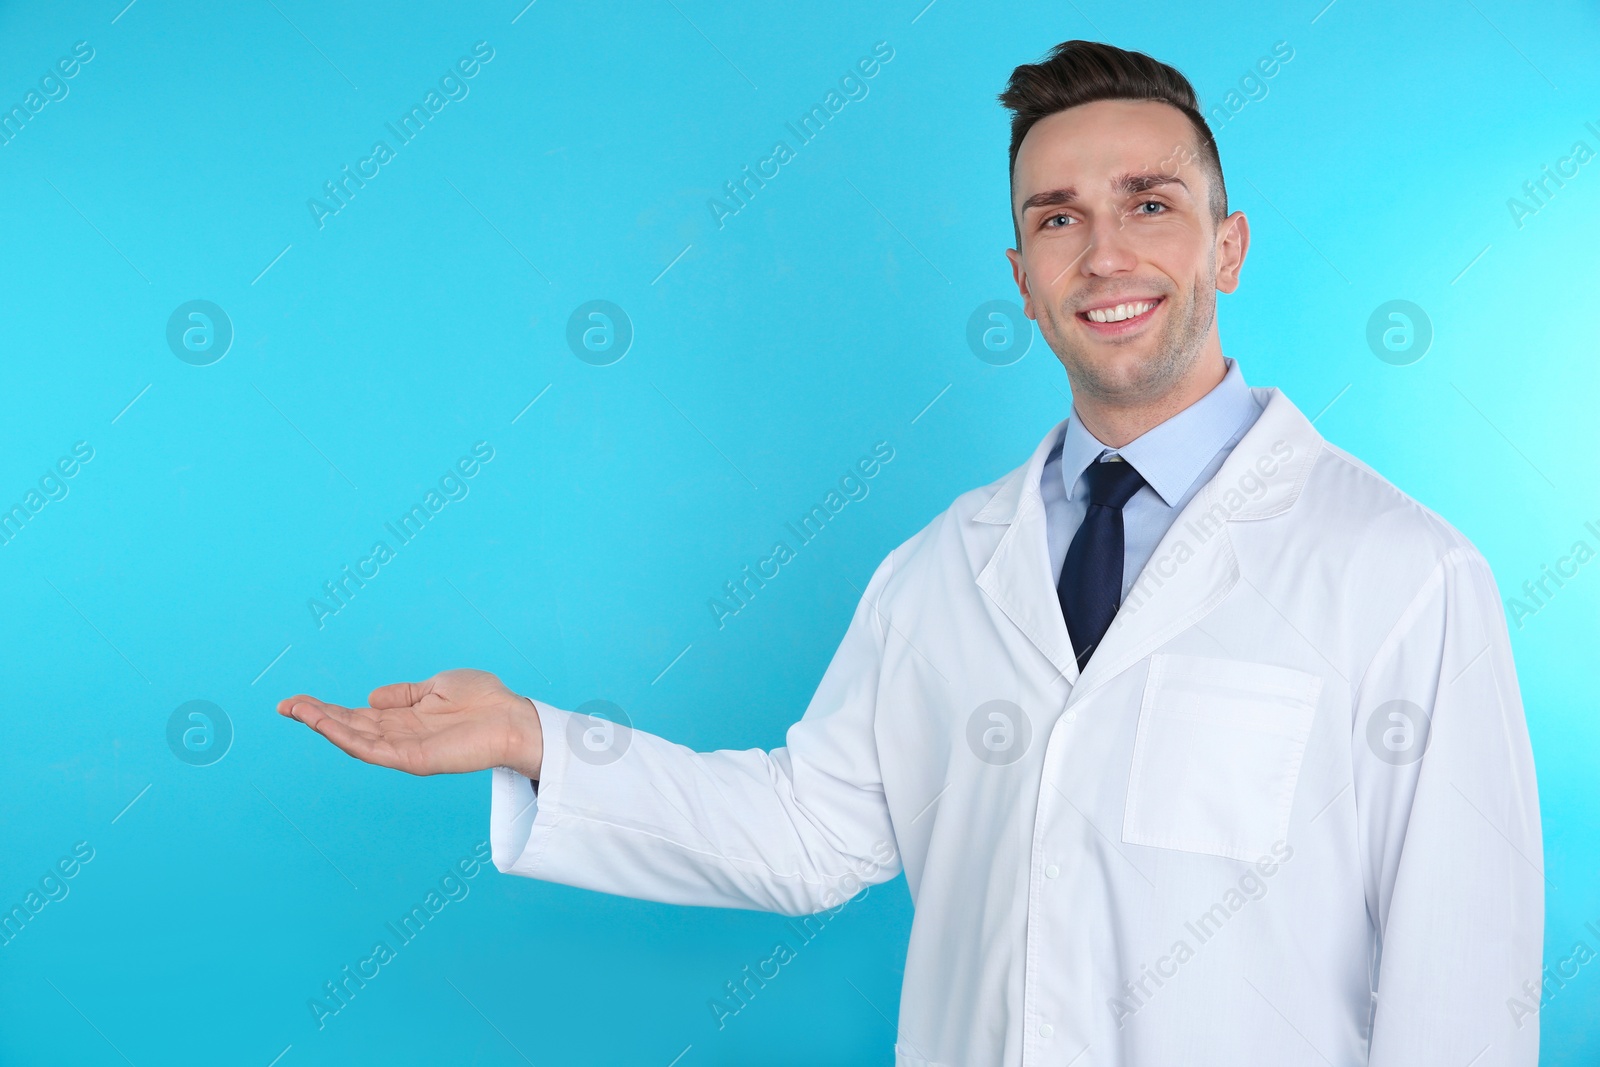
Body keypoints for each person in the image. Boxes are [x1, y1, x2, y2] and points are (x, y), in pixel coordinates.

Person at [279, 39, 1542, 1066]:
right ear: (1021, 273)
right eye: (1058, 220)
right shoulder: (942, 569)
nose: (1104, 253)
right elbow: (803, 833)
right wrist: (532, 737)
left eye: (1148, 205)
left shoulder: (1399, 573)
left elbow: (1462, 986)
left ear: (1226, 243)